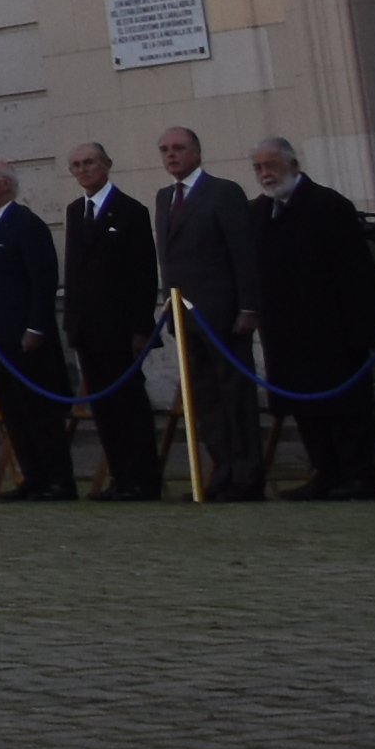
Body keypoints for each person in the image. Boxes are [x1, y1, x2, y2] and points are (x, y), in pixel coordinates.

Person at [247, 137, 375, 501]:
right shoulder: (259, 213)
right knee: (305, 408)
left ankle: (358, 476)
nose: (265, 174)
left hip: (332, 330)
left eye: (271, 166)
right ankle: (325, 472)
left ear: (292, 165)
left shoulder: (328, 206)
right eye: (259, 168)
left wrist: (361, 331)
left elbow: (356, 273)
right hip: (285, 332)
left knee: (344, 408)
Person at [150, 130, 271, 500]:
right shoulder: (165, 197)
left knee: (235, 395)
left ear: (197, 151)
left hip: (223, 314)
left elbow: (242, 252)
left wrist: (248, 305)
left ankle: (247, 476)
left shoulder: (223, 192)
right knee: (205, 398)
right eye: (165, 150)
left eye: (179, 148)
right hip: (186, 316)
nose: (171, 156)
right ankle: (222, 471)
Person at [57, 147, 165, 506]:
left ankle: (143, 479)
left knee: (130, 407)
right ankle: (120, 476)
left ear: (106, 165)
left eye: (89, 163)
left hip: (120, 329)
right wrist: (72, 326)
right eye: (76, 165)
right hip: (87, 329)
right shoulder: (75, 212)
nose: (83, 170)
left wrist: (140, 328)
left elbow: (143, 273)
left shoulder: (130, 210)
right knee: (103, 410)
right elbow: (74, 272)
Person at [0, 162, 70, 500]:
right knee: (12, 411)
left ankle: (57, 479)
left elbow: (42, 279)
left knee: (37, 411)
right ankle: (32, 476)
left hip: (24, 335)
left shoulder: (26, 225)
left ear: (5, 184)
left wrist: (36, 325)